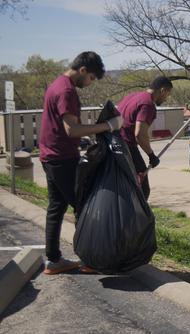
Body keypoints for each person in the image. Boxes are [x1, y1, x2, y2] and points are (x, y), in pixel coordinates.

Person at [39, 51, 123, 275]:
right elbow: (72, 129)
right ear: (83, 70)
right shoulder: (66, 90)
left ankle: (53, 259)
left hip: (50, 155)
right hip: (62, 158)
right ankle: (90, 259)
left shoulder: (57, 84)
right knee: (84, 206)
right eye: (92, 78)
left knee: (56, 207)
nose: (90, 83)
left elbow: (67, 127)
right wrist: (108, 126)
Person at [117, 76, 173, 200]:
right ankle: (136, 219)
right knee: (142, 190)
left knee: (126, 188)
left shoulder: (131, 96)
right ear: (162, 90)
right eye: (167, 94)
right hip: (127, 148)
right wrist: (151, 155)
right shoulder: (148, 104)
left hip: (114, 145)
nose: (166, 98)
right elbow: (140, 134)